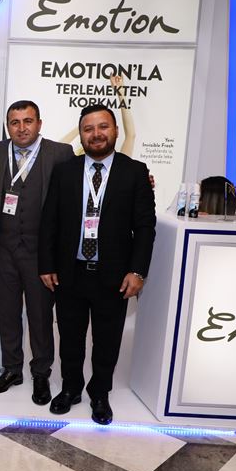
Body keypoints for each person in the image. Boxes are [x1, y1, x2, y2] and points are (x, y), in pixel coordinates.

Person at [38, 103, 156, 425]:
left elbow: (145, 227)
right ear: (81, 134)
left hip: (113, 275)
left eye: (103, 127)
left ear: (115, 130)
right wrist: (46, 264)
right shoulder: (65, 171)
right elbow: (49, 222)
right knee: (70, 338)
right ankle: (71, 388)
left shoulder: (135, 172)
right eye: (88, 129)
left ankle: (100, 393)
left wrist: (137, 271)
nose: (96, 134)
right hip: (70, 273)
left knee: (107, 340)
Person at [0, 100, 74, 404]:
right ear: (7, 126)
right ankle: (12, 369)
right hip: (4, 250)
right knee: (7, 314)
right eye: (15, 122)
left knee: (40, 316)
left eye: (28, 121)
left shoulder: (60, 153)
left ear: (39, 124)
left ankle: (40, 373)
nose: (21, 128)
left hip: (40, 254)